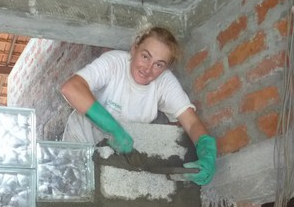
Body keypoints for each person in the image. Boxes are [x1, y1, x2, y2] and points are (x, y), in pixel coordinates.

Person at [60, 26, 216, 185]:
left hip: (115, 154)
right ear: (134, 49)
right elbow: (71, 88)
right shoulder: (114, 63)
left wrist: (207, 154)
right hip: (80, 140)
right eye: (145, 56)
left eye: (159, 65)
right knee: (71, 185)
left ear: (166, 68)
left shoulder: (165, 83)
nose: (148, 69)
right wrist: (114, 129)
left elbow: (192, 122)